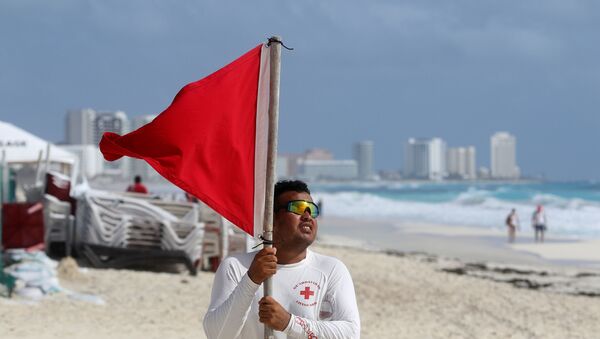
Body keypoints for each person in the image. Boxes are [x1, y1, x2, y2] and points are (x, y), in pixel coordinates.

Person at [203, 180, 360, 338]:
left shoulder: (331, 269)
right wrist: (251, 280)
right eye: (298, 208)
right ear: (271, 218)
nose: (307, 216)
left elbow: (351, 333)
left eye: (311, 210)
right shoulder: (237, 266)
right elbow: (218, 335)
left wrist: (289, 323)